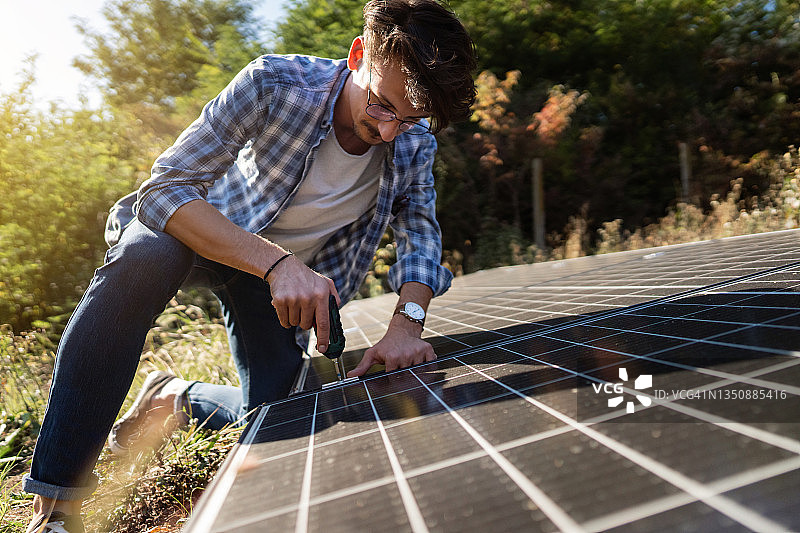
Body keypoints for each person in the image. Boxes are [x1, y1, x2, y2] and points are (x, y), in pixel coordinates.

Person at [23, 0, 476, 530]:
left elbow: (420, 233)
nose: (391, 130)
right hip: (204, 231)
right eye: (381, 105)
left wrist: (406, 325)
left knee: (281, 414)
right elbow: (165, 189)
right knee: (142, 258)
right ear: (358, 56)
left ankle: (175, 398)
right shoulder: (275, 83)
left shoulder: (413, 143)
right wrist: (277, 263)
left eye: (411, 118)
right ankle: (57, 504)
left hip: (275, 283)